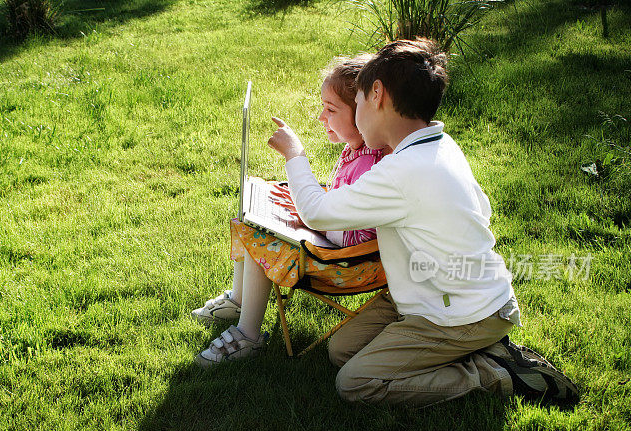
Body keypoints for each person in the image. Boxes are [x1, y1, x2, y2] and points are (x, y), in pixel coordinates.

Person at [266, 38, 579, 407]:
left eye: (360, 100)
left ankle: (497, 373)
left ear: (377, 94)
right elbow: (483, 208)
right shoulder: (440, 144)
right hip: (424, 294)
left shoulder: (401, 170)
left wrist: (295, 154)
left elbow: (317, 212)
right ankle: (476, 350)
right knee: (341, 351)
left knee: (354, 383)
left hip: (465, 313)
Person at [192, 54, 384, 367]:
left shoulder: (367, 164)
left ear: (363, 112)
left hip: (348, 263)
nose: (322, 117)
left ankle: (248, 335)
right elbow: (344, 206)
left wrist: (312, 224)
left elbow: (355, 235)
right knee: (256, 206)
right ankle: (240, 299)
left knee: (262, 234)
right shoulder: (358, 151)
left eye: (331, 110)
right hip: (336, 240)